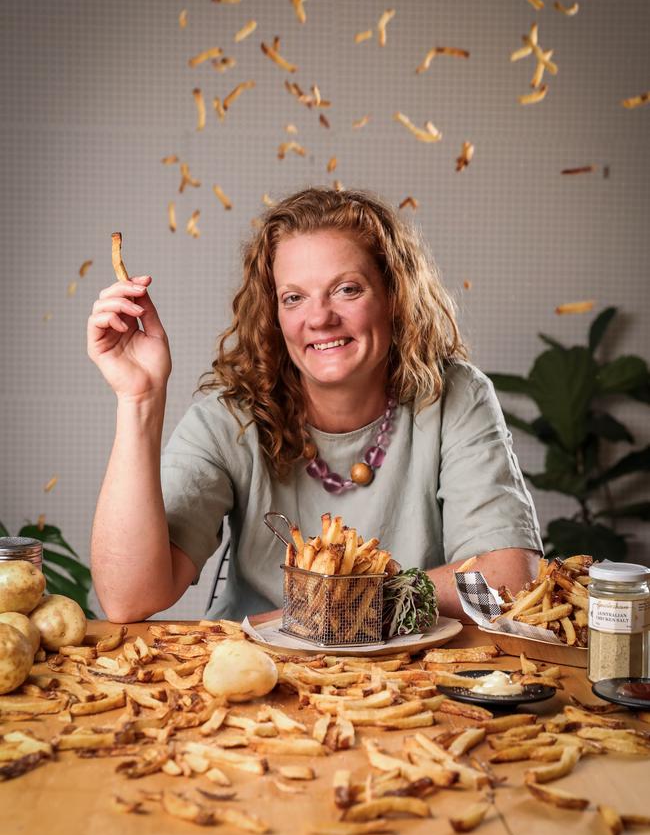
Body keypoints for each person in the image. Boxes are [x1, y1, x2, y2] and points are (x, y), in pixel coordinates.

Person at [87, 186, 542, 624]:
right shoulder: (230, 420)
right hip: (256, 677)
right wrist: (140, 397)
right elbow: (129, 599)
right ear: (274, 314)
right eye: (294, 298)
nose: (320, 318)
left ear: (394, 297)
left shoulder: (455, 397)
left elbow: (507, 582)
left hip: (410, 678)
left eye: (347, 289)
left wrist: (332, 614)